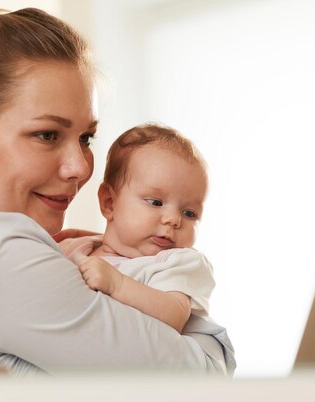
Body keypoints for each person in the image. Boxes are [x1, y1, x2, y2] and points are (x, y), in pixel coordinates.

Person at [0, 6, 235, 375]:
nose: (80, 168)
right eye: (47, 135)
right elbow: (199, 378)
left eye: (86, 137)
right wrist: (202, 331)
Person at [62, 124, 215, 334]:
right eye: (155, 202)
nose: (173, 220)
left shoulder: (177, 263)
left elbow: (175, 315)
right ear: (109, 203)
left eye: (189, 213)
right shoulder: (75, 248)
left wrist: (117, 284)